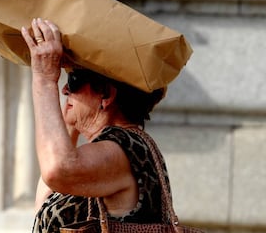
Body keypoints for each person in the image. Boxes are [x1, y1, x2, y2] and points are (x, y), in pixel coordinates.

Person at [21, 18, 170, 233]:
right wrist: (67, 121)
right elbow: (44, 207)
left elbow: (57, 170)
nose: (64, 90)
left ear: (106, 94)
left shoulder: (125, 147)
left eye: (74, 81)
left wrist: (44, 79)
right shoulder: (105, 153)